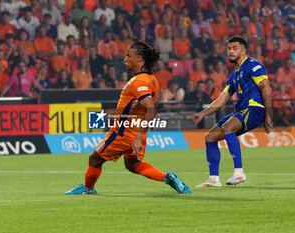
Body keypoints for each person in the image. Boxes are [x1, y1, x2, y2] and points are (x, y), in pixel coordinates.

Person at [65, 41, 190, 195]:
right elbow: (155, 108)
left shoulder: (139, 82)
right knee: (132, 164)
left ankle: (88, 189)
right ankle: (167, 177)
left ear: (140, 59)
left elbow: (150, 108)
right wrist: (141, 133)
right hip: (137, 132)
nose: (125, 59)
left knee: (95, 159)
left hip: (124, 133)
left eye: (128, 55)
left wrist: (137, 136)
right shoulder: (152, 79)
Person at [190, 36, 273, 187]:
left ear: (244, 50)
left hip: (255, 108)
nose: (230, 51)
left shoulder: (253, 65)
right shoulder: (234, 74)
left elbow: (266, 89)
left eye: (235, 48)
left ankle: (239, 173)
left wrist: (268, 115)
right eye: (228, 48)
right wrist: (202, 114)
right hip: (242, 110)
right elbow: (222, 99)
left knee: (227, 128)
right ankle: (214, 179)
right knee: (210, 136)